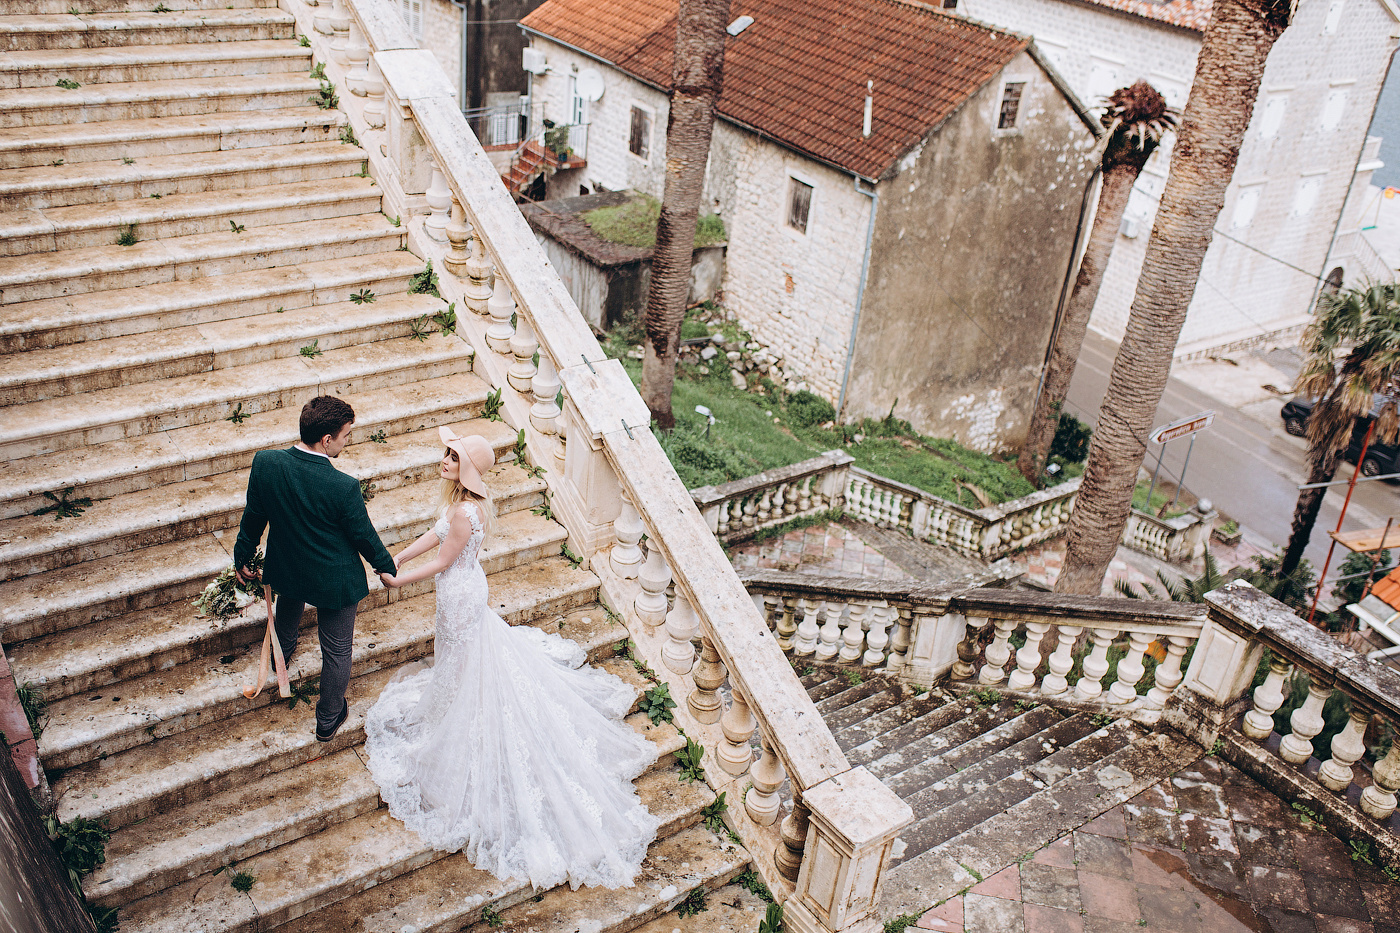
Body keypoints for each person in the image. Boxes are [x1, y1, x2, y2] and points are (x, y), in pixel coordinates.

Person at [365, 427, 658, 890]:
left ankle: (462, 711)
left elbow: (443, 560)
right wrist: (393, 556)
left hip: (460, 594)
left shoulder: (465, 511)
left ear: (466, 467)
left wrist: (398, 581)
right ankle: (458, 695)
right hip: (460, 591)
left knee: (464, 658)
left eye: (451, 455)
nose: (443, 460)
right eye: (445, 453)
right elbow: (431, 535)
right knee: (459, 658)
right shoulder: (458, 505)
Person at [233, 396, 396, 742]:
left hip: (289, 566)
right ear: (326, 441)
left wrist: (242, 555)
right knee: (337, 650)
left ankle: (284, 654)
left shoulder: (266, 463)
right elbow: (364, 537)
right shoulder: (343, 487)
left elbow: (253, 517)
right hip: (333, 579)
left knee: (289, 604)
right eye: (345, 435)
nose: (346, 441)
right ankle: (328, 717)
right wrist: (386, 567)